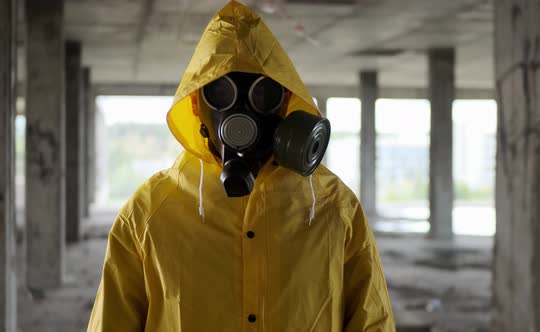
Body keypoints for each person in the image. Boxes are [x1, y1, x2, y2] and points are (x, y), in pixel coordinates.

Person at [87, 1, 396, 331]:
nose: (242, 112)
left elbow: (372, 321)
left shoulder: (334, 208)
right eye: (221, 93)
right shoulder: (148, 213)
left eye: (264, 95)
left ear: (287, 103)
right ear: (195, 102)